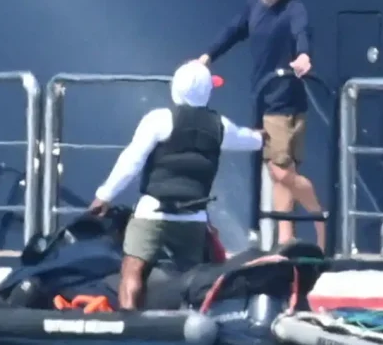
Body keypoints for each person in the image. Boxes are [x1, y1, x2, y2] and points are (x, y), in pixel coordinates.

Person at [88, 61, 264, 310]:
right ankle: (189, 322)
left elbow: (131, 161)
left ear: (175, 89)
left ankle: (127, 322)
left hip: (152, 213)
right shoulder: (221, 126)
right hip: (193, 217)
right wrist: (263, 136)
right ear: (207, 91)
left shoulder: (158, 120)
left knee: (132, 269)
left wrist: (104, 196)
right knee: (193, 278)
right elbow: (252, 140)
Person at [195, 0, 325, 250]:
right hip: (266, 98)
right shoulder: (254, 6)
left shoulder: (294, 6)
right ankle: (286, 239)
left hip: (286, 101)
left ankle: (319, 217)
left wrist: (304, 55)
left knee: (279, 170)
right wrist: (207, 56)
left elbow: (302, 32)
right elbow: (233, 31)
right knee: (282, 173)